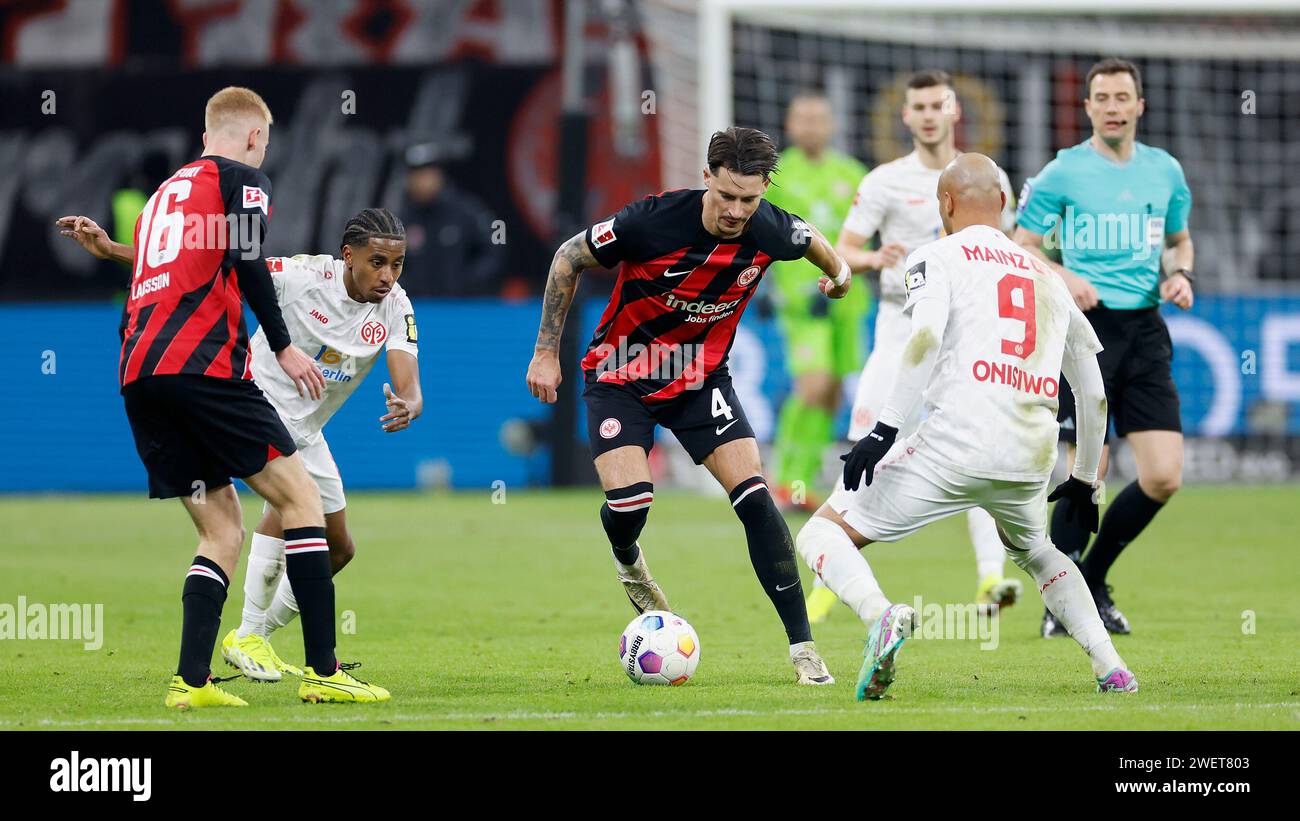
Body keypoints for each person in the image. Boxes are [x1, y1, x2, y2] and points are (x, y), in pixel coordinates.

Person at [56, 87, 385, 707]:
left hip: (139, 373)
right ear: (256, 137)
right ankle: (323, 670)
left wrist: (110, 251)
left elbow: (189, 262)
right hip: (203, 368)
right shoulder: (242, 179)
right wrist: (284, 345)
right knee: (301, 497)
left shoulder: (159, 200)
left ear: (205, 132)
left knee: (221, 530)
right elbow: (249, 254)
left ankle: (193, 683)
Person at [794, 153, 1137, 700]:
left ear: (946, 205)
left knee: (821, 531)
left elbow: (924, 338)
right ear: (1003, 204)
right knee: (1038, 552)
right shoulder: (1049, 277)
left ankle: (881, 617)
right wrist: (1085, 481)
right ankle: (1112, 668)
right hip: (1030, 455)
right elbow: (1093, 392)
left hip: (954, 446)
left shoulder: (934, 257)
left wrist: (884, 431)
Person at [525, 127, 852, 685]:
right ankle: (628, 557)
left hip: (701, 382)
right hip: (620, 373)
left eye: (749, 199)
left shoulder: (769, 226)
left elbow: (811, 239)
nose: (736, 210)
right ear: (707, 177)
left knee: (756, 499)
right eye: (726, 196)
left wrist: (840, 276)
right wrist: (545, 352)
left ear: (764, 190)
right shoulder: (649, 221)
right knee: (630, 505)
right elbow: (567, 257)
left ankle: (804, 649)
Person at [809, 69, 1021, 625]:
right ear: (905, 117)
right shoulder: (884, 181)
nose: (928, 115)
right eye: (918, 107)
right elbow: (842, 250)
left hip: (967, 334)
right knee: (863, 446)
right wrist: (874, 258)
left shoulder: (983, 179)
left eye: (937, 105)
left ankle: (991, 579)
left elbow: (1009, 248)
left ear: (954, 112)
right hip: (902, 328)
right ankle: (828, 580)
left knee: (978, 445)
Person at [1013, 58, 1194, 637]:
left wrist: (1181, 274)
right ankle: (1061, 605)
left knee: (1164, 475)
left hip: (1144, 332)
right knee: (1088, 470)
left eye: (1123, 97)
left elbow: (1179, 240)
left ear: (1140, 106)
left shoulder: (1165, 171)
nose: (1113, 106)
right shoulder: (1063, 172)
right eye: (1102, 97)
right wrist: (1063, 277)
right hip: (1084, 332)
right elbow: (1022, 245)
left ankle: (1089, 579)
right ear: (1087, 107)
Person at [764, 91, 869, 513]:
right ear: (790, 125)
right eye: (802, 119)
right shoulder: (777, 175)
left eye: (818, 118)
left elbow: (865, 235)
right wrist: (775, 287)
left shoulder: (853, 173)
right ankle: (781, 478)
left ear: (832, 125)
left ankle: (801, 481)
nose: (811, 126)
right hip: (802, 300)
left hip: (848, 298)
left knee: (832, 393)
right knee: (813, 385)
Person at [398, 141, 506, 297]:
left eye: (426, 174)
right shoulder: (402, 219)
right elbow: (387, 265)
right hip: (418, 307)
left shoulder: (467, 211)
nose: (421, 182)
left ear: (439, 175)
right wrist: (407, 286)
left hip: (461, 308)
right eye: (415, 175)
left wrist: (470, 282)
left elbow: (497, 244)